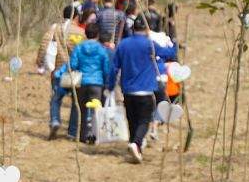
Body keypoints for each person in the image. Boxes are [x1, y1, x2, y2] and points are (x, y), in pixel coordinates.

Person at [110, 14, 177, 163]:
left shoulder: (123, 44)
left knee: (132, 120)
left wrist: (110, 86)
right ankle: (136, 143)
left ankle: (135, 146)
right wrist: (174, 40)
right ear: (146, 29)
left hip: (127, 90)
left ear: (133, 28)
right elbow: (169, 54)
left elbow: (114, 67)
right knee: (144, 120)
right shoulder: (149, 44)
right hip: (145, 89)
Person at [36, 5, 85, 140]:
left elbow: (44, 45)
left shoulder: (54, 29)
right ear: (76, 17)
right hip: (75, 72)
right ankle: (72, 131)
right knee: (76, 102)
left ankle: (55, 121)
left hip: (57, 70)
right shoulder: (81, 32)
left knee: (55, 99)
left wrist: (39, 62)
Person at [69, 23, 110, 142]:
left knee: (81, 109)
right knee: (95, 110)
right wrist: (105, 80)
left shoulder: (79, 47)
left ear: (85, 33)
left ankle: (82, 136)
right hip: (96, 83)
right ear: (97, 34)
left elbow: (73, 64)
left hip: (81, 81)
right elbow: (106, 67)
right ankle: (93, 135)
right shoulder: (101, 49)